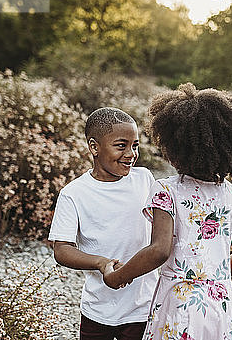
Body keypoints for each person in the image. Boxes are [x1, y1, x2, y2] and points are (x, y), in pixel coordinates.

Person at [102, 83, 232, 340]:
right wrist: (210, 275)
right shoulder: (230, 193)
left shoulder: (166, 190)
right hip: (220, 306)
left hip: (179, 304)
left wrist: (116, 276)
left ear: (175, 146)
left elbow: (159, 251)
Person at [48, 107, 158, 340]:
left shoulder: (145, 179)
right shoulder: (74, 193)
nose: (130, 154)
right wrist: (100, 263)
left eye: (135, 145)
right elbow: (62, 249)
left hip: (143, 307)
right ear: (94, 147)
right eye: (121, 146)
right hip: (97, 309)